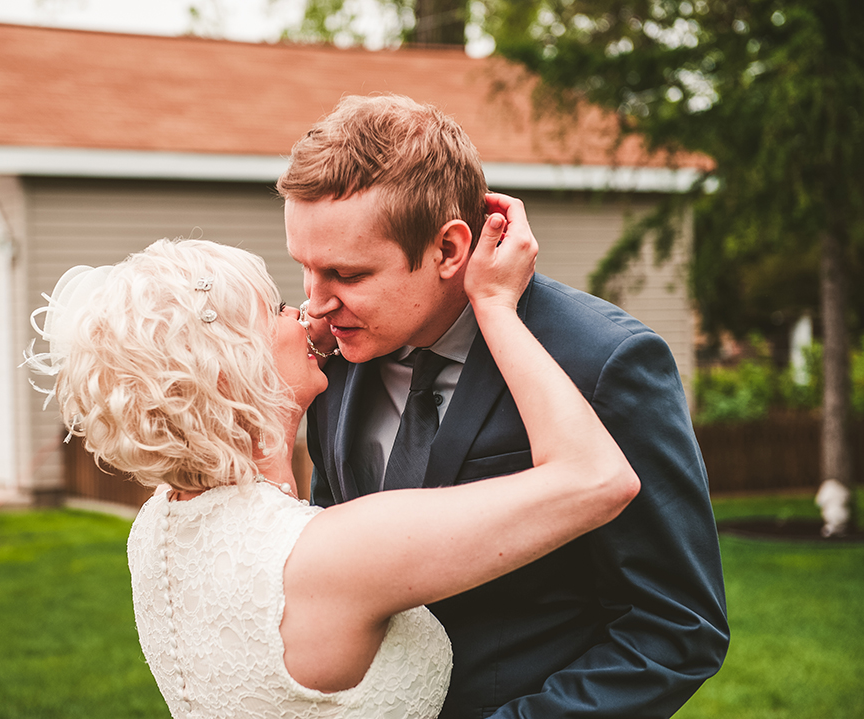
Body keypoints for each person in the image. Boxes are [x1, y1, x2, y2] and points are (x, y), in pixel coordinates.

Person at [26, 231, 639, 718]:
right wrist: (497, 305)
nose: (308, 313)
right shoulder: (334, 554)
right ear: (230, 373)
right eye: (276, 310)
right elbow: (597, 478)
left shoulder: (155, 531)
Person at [278, 94, 730, 718]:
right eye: (304, 266)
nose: (317, 303)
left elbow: (676, 627)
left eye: (348, 275)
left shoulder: (605, 363)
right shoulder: (332, 356)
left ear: (448, 250)